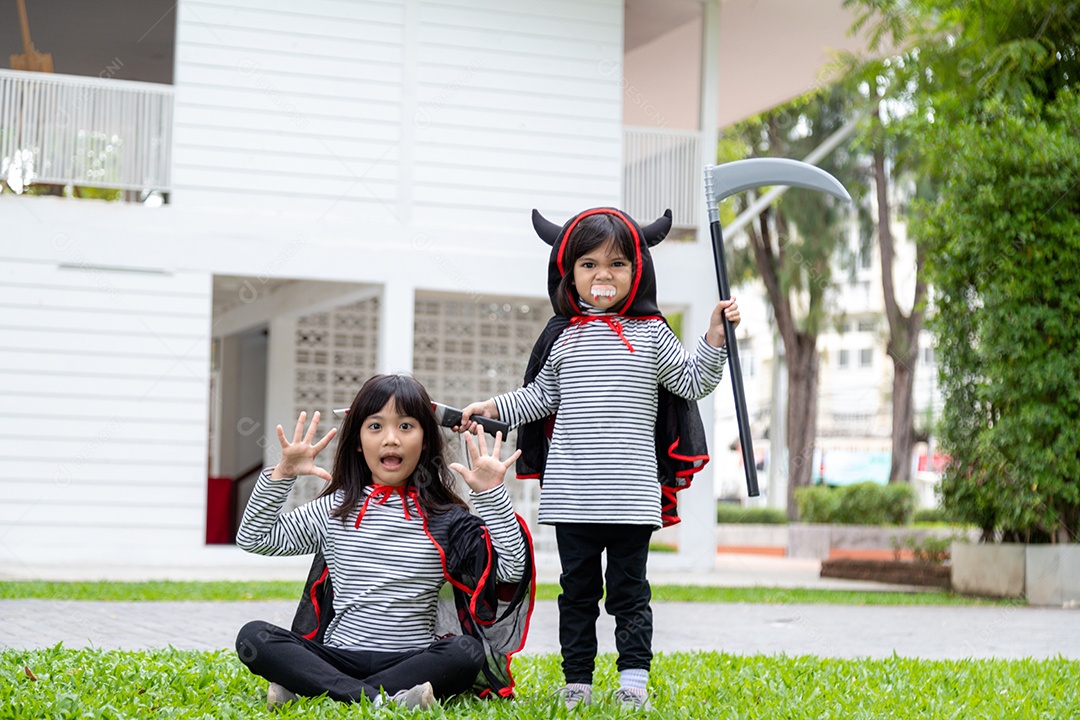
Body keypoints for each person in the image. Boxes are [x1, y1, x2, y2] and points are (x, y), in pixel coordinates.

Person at [457, 207, 740, 710]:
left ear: (638, 271)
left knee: (630, 595)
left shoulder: (653, 335)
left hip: (632, 500)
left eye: (616, 264)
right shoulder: (562, 337)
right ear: (569, 274)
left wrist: (716, 334)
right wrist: (492, 408)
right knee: (577, 595)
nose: (602, 275)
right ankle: (577, 684)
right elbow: (537, 398)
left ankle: (633, 682)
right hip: (572, 501)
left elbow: (694, 380)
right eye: (588, 264)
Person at [234, 373, 534, 711]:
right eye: (375, 426)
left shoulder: (447, 520)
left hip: (412, 660)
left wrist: (492, 495)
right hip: (338, 656)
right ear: (359, 441)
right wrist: (282, 475)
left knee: (465, 652)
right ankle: (382, 698)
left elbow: (511, 570)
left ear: (425, 441)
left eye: (406, 426)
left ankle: (315, 688)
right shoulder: (332, 510)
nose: (391, 438)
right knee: (254, 636)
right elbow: (255, 538)